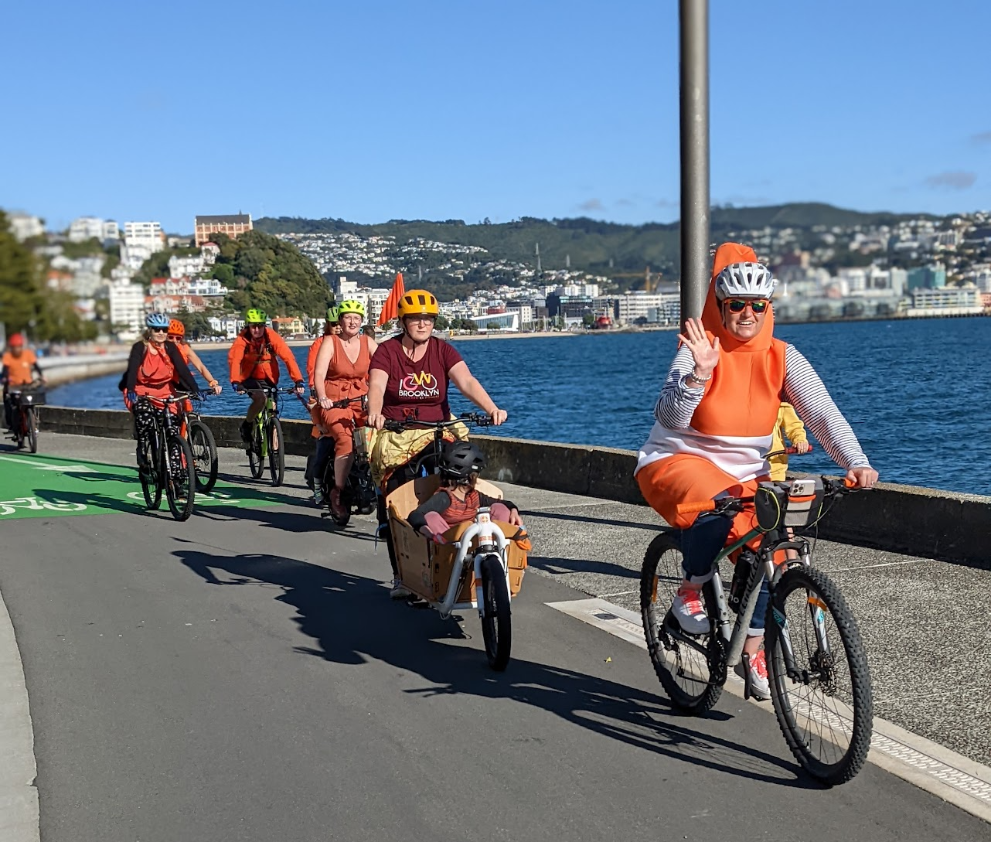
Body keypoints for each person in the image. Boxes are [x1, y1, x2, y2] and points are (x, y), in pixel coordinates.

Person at [635, 243, 878, 701]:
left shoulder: (784, 356)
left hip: (745, 474)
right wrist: (698, 376)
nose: (747, 314)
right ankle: (690, 589)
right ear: (721, 307)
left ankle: (753, 650)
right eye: (736, 305)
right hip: (677, 460)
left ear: (769, 307)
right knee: (715, 505)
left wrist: (855, 461)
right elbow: (668, 417)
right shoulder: (700, 348)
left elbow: (823, 415)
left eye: (757, 305)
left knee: (777, 554)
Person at [366, 288, 508, 598]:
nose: (423, 324)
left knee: (463, 470)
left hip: (439, 426)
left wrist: (491, 408)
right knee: (396, 496)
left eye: (428, 319)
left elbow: (466, 381)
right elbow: (376, 384)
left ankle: (465, 541)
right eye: (416, 319)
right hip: (398, 432)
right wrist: (375, 413)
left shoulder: (442, 350)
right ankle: (402, 574)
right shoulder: (387, 352)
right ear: (403, 322)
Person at [314, 299, 378, 518]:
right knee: (345, 439)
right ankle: (338, 492)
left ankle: (373, 485)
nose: (352, 322)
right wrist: (322, 396)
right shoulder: (330, 342)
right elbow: (319, 374)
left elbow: (384, 366)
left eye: (357, 318)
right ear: (341, 320)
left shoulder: (367, 342)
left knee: (377, 434)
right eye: (348, 317)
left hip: (361, 401)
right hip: (335, 402)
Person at [120, 313, 198, 470]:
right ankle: (143, 447)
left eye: (164, 329)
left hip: (164, 392)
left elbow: (182, 370)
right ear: (150, 331)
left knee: (173, 432)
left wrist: (196, 389)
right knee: (145, 418)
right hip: (141, 391)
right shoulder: (140, 348)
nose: (161, 333)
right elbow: (132, 370)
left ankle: (176, 480)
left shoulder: (170, 348)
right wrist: (130, 390)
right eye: (157, 330)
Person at [408, 441, 522, 541]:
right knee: (431, 517)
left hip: (475, 542)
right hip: (450, 544)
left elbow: (502, 503)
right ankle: (446, 548)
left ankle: (498, 543)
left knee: (500, 508)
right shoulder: (445, 498)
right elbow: (415, 514)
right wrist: (425, 530)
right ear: (471, 477)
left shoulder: (473, 496)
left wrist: (513, 509)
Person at [228, 308, 305, 446]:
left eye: (260, 326)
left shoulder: (271, 336)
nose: (257, 330)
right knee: (260, 399)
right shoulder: (242, 339)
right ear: (248, 326)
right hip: (249, 377)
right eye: (253, 326)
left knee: (273, 410)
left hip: (269, 377)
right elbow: (235, 360)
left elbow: (288, 357)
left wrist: (298, 380)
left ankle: (275, 450)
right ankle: (247, 425)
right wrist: (236, 381)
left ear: (265, 326)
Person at [303, 308, 338, 504]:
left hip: (346, 396)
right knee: (322, 434)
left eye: (339, 323)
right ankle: (314, 476)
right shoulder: (320, 344)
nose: (338, 328)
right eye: (334, 324)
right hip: (322, 394)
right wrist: (316, 391)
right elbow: (312, 369)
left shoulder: (352, 343)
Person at [2, 333, 45, 433]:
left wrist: (41, 376)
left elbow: (36, 366)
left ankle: (32, 423)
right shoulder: (8, 356)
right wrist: (5, 378)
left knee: (31, 402)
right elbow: (5, 370)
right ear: (11, 348)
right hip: (14, 385)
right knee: (14, 405)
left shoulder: (28, 354)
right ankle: (14, 426)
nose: (17, 349)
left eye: (18, 347)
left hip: (27, 385)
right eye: (14, 347)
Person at [166, 319, 223, 396]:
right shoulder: (158, 349)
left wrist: (213, 382)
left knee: (187, 404)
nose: (174, 340)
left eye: (178, 338)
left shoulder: (185, 348)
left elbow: (200, 367)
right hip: (165, 383)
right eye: (170, 337)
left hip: (180, 383)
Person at [769, 401, 811, 482]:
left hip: (775, 469)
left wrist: (800, 440)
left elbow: (794, 427)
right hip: (743, 469)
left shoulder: (780, 401)